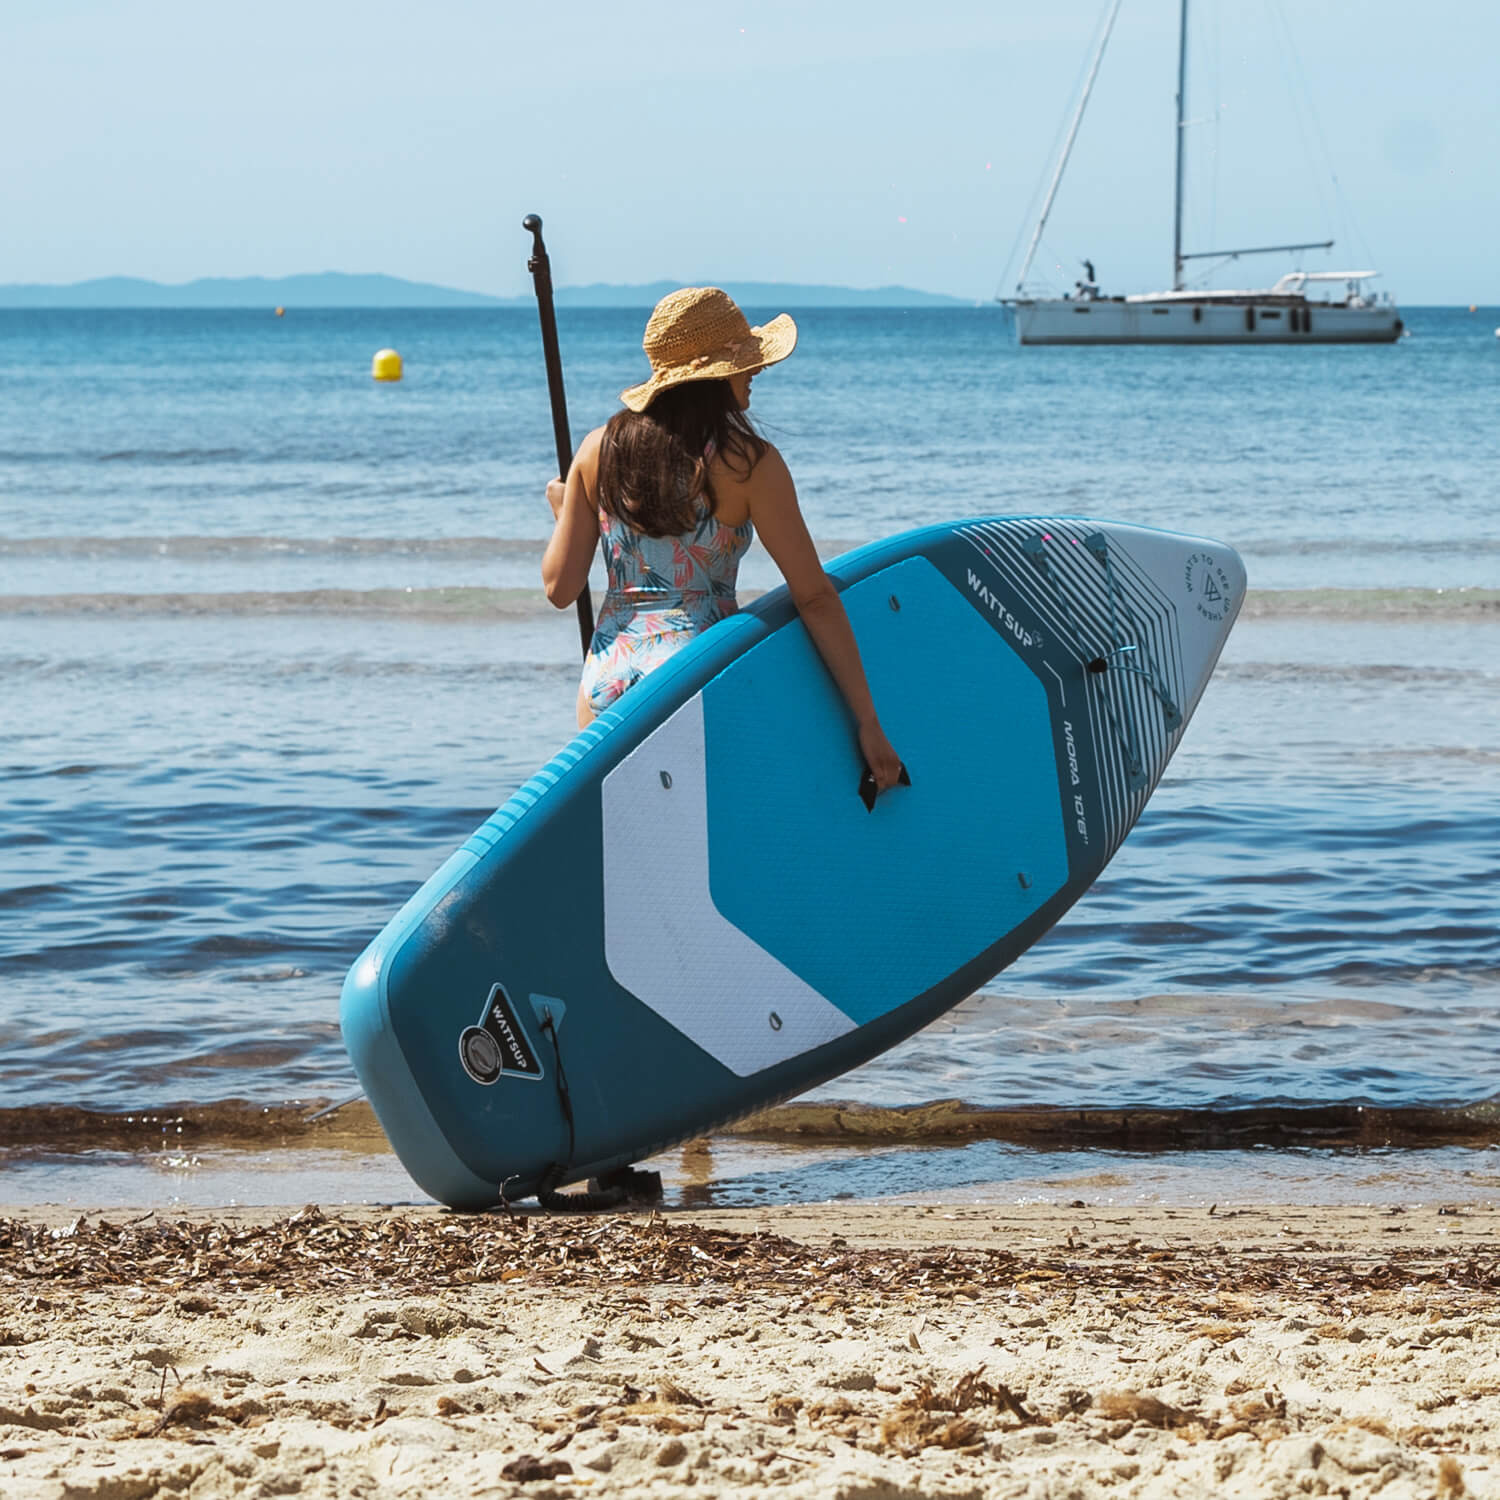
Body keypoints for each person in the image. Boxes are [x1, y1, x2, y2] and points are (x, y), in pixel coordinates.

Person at [542, 285, 903, 795]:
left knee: (637, 851)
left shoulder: (598, 449)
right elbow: (814, 596)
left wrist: (564, 513)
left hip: (608, 679)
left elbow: (560, 588)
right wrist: (867, 720)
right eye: (744, 362)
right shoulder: (748, 463)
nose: (756, 370)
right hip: (698, 672)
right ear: (713, 375)